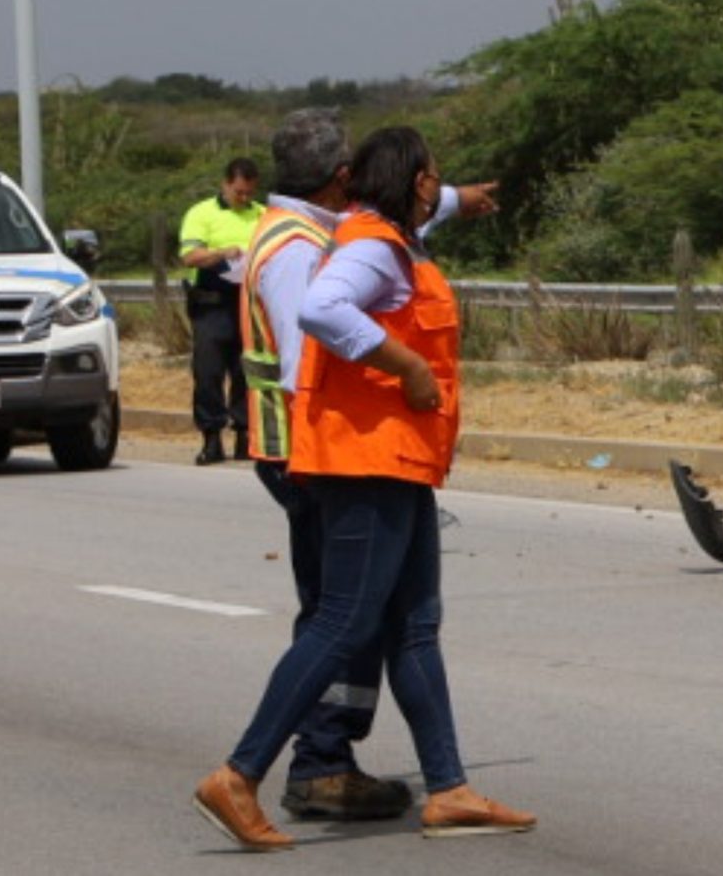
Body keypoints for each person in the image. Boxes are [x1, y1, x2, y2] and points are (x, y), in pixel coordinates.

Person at [194, 126, 531, 851]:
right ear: (412, 182)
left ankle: (449, 789)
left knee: (415, 625)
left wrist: (458, 200)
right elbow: (322, 310)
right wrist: (407, 365)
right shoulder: (370, 245)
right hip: (362, 461)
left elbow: (418, 222)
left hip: (398, 459)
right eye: (432, 176)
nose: (436, 185)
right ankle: (239, 774)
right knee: (343, 621)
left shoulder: (387, 236)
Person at [178, 157, 264, 463]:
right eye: (239, 192)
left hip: (248, 302)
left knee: (246, 371)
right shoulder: (201, 213)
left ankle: (244, 435)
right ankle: (211, 437)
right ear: (225, 184)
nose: (244, 198)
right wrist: (221, 253)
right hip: (211, 304)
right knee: (209, 372)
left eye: (249, 192)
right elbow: (190, 256)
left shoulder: (262, 214)